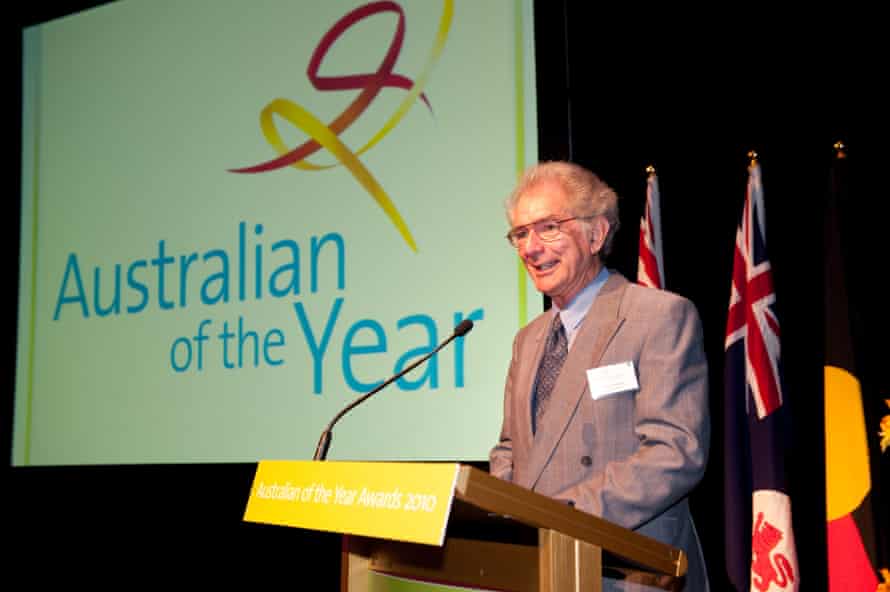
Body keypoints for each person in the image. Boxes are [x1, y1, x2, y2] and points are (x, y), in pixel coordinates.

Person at [490, 161, 710, 591]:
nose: (530, 248)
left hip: (626, 569)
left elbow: (675, 452)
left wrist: (563, 515)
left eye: (548, 227)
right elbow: (509, 449)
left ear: (596, 234)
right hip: (542, 568)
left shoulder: (658, 316)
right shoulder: (528, 340)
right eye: (520, 234)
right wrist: (502, 514)